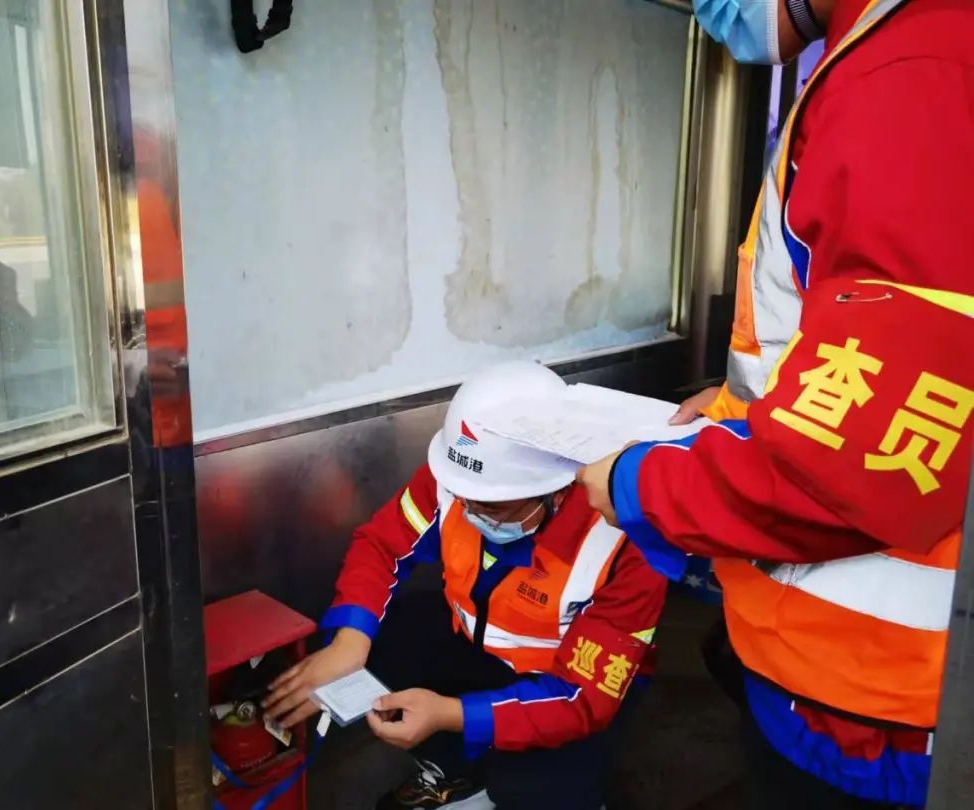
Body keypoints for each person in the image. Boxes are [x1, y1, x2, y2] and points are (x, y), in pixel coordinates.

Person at [578, 0, 974, 808]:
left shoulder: (913, 70)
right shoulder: (904, 49)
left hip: (880, 707)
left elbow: (869, 464)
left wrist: (639, 485)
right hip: (869, 687)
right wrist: (735, 402)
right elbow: (884, 352)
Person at [264, 361, 667, 810]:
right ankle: (454, 772)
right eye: (463, 497)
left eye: (493, 506)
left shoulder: (626, 542)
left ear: (557, 489)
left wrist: (448, 714)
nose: (470, 511)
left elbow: (581, 700)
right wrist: (348, 644)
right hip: (477, 646)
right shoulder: (460, 482)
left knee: (532, 789)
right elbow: (382, 546)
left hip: (565, 687)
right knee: (384, 638)